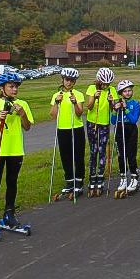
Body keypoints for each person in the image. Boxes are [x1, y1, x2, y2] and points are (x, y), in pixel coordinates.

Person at [0, 74, 34, 234]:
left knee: (12, 182)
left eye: (16, 86)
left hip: (15, 150)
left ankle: (9, 214)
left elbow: (27, 127)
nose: (15, 89)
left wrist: (22, 114)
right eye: (11, 86)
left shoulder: (22, 104)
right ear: (2, 88)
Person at [49, 67, 85, 199]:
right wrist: (56, 103)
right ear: (62, 80)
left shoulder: (78, 94)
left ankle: (79, 181)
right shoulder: (56, 95)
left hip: (76, 128)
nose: (69, 83)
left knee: (78, 155)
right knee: (65, 155)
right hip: (62, 128)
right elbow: (53, 115)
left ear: (74, 82)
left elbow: (80, 113)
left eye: (72, 81)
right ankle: (69, 180)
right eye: (67, 80)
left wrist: (75, 102)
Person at [84, 67, 119, 197]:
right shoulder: (92, 88)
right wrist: (94, 97)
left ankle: (100, 177)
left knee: (102, 150)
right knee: (93, 150)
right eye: (103, 83)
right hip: (92, 122)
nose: (105, 86)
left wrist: (111, 102)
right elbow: (89, 107)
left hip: (104, 123)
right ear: (98, 81)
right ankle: (92, 177)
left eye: (107, 84)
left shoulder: (112, 90)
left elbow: (113, 109)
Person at [111, 79, 140, 196]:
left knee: (131, 155)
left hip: (131, 130)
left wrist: (126, 109)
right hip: (120, 129)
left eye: (129, 90)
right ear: (120, 93)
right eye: (125, 91)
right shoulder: (117, 103)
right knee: (121, 156)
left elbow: (134, 120)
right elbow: (113, 121)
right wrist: (115, 110)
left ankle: (134, 178)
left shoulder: (135, 104)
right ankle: (123, 177)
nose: (128, 93)